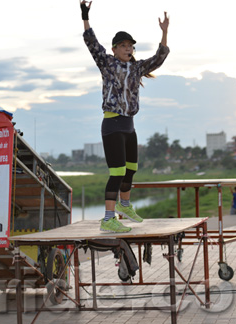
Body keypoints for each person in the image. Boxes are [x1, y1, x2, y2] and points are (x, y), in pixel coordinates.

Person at [80, 1, 170, 232]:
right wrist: (85, 15)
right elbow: (91, 43)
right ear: (114, 49)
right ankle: (108, 218)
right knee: (117, 172)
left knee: (131, 168)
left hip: (129, 126)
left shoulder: (137, 68)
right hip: (112, 124)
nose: (128, 49)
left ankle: (125, 205)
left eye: (130, 46)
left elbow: (158, 59)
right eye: (123, 45)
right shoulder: (107, 63)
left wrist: (164, 32)